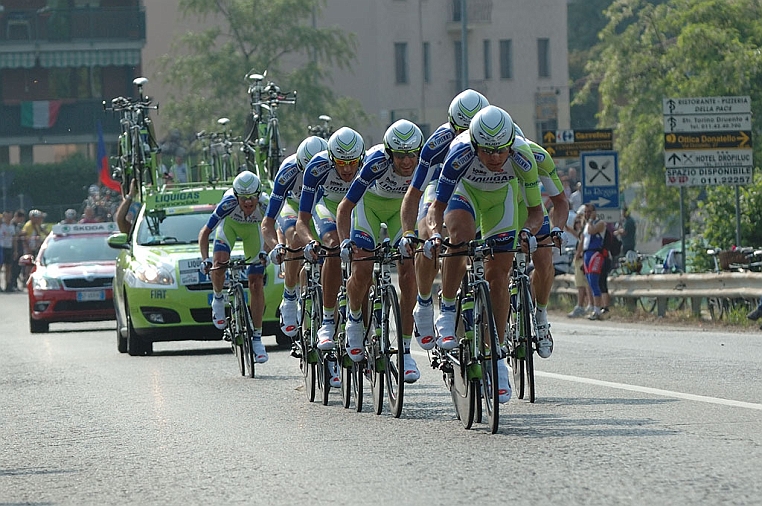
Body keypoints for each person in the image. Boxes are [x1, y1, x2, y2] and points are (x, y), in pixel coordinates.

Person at [423, 105, 544, 404]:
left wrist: (527, 232)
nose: (495, 157)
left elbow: (536, 212)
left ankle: (496, 357)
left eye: (501, 150)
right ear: (474, 143)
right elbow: (437, 207)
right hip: (463, 194)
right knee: (460, 238)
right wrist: (436, 232)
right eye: (487, 150)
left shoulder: (522, 155)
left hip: (499, 201)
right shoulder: (459, 152)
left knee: (498, 277)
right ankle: (448, 308)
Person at [400, 89, 489, 352]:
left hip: (480, 188)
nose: (466, 137)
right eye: (460, 129)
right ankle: (425, 302)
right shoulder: (437, 144)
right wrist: (408, 232)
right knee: (428, 237)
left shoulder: (500, 135)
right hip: (441, 187)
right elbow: (414, 194)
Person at [337, 119, 424, 383]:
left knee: (409, 271)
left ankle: (406, 350)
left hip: (402, 212)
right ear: (389, 153)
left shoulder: (425, 164)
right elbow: (345, 207)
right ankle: (354, 317)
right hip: (370, 209)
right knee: (362, 270)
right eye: (400, 156)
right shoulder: (375, 162)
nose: (407, 162)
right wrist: (344, 242)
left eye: (411, 155)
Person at [296, 127, 365, 362]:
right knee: (334, 246)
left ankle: (365, 326)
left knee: (366, 255)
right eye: (341, 163)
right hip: (326, 206)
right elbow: (301, 220)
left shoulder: (368, 166)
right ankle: (327, 320)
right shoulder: (317, 167)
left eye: (352, 162)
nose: (347, 169)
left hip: (356, 208)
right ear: (331, 158)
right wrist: (310, 242)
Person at [198, 171, 271, 363]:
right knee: (220, 262)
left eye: (252, 198)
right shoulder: (228, 203)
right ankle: (218, 298)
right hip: (229, 228)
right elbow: (205, 233)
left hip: (254, 233)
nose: (248, 203)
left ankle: (257, 339)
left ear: (259, 195)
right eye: (243, 198)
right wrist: (205, 259)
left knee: (256, 282)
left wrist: (266, 251)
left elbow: (274, 230)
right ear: (236, 196)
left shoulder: (266, 203)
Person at [262, 135, 328, 339]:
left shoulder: (333, 166)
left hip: (319, 207)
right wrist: (276, 247)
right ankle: (290, 295)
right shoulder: (288, 171)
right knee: (295, 238)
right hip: (293, 206)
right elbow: (268, 221)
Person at [512, 125, 568, 357]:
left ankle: (541, 315)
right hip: (501, 211)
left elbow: (561, 201)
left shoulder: (538, 156)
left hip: (532, 211)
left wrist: (557, 229)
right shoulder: (487, 158)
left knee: (545, 262)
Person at [581, 203, 612, 320]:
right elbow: (583, 240)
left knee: (594, 281)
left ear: (594, 212)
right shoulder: (586, 225)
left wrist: (589, 221)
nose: (587, 214)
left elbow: (591, 231)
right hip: (586, 253)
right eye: (585, 212)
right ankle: (594, 308)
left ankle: (598, 310)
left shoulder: (600, 223)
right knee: (589, 281)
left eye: (589, 211)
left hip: (596, 253)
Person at [567, 212, 593, 317]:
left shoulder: (584, 231)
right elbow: (577, 235)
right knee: (583, 284)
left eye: (579, 221)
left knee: (582, 284)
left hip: (581, 260)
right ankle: (586, 305)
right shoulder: (583, 231)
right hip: (583, 259)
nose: (577, 224)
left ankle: (582, 305)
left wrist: (577, 255)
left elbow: (581, 242)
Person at [0, 211, 14, 292]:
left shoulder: (12, 226)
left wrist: (15, 250)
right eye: (7, 216)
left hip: (9, 247)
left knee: (8, 267)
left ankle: (8, 285)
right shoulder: (2, 226)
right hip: (2, 247)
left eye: (10, 216)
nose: (9, 218)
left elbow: (14, 239)